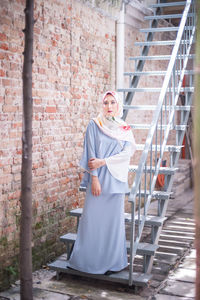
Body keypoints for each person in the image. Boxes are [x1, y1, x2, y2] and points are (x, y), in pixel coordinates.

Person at [68, 91, 136, 275]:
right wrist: (95, 177)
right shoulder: (94, 124)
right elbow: (91, 152)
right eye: (105, 102)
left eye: (113, 102)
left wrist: (103, 161)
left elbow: (127, 153)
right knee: (92, 221)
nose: (109, 106)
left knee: (113, 224)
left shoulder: (124, 128)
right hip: (98, 180)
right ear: (102, 105)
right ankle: (87, 261)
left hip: (116, 181)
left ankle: (113, 262)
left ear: (118, 105)